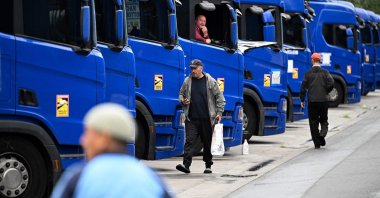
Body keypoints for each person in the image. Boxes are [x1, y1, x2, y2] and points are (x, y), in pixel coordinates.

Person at [51, 103, 171, 198]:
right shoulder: (151, 179)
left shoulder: (79, 177)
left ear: (104, 138)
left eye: (88, 133)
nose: (83, 140)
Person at [176, 59, 226, 174]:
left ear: (201, 68)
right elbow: (180, 94)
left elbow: (220, 98)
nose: (193, 70)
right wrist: (183, 100)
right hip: (191, 119)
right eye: (191, 68)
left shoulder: (210, 81)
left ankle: (208, 165)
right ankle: (186, 165)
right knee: (189, 141)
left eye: (195, 68)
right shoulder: (187, 81)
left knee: (207, 142)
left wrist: (219, 113)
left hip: (207, 119)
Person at [300, 53, 334, 149]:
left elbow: (303, 88)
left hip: (312, 101)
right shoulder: (325, 72)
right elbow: (331, 83)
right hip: (323, 100)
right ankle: (322, 135)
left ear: (312, 60)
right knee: (324, 119)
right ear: (320, 60)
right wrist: (326, 91)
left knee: (313, 122)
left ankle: (317, 143)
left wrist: (302, 99)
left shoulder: (308, 73)